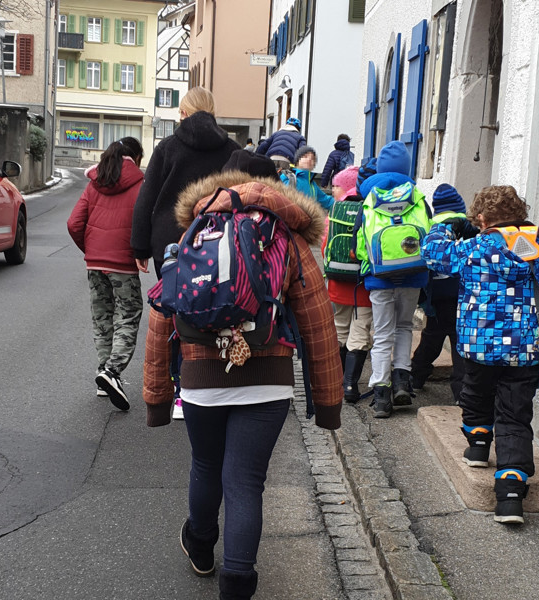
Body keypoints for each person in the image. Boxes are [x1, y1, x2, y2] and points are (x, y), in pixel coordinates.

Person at [142, 153, 342, 599]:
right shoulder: (286, 237)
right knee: (246, 480)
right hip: (267, 378)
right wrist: (328, 404)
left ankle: (200, 543)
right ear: (275, 188)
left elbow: (161, 314)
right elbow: (318, 321)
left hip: (200, 375)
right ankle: (237, 583)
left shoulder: (196, 230)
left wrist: (157, 397)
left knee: (206, 464)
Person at [421, 185, 539, 524]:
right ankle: (510, 495)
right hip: (524, 350)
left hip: (479, 346)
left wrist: (446, 228)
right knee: (515, 416)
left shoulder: (475, 247)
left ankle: (477, 446)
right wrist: (532, 234)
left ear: (482, 220)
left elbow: (433, 254)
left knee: (475, 393)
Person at [132, 87, 240, 420]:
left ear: (183, 113)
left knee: (173, 316)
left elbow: (146, 199)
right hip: (216, 241)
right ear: (213, 111)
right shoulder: (232, 150)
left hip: (169, 244)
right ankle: (207, 383)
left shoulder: (167, 148)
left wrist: (139, 245)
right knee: (210, 309)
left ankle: (178, 389)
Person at [67, 137, 146, 411]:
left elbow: (74, 223)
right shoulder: (140, 185)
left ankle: (104, 371)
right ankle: (112, 372)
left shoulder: (94, 183)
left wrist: (90, 249)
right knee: (128, 313)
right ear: (135, 157)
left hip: (95, 263)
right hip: (123, 263)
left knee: (102, 316)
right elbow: (143, 224)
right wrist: (140, 252)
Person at [355, 140, 430, 418]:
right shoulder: (418, 197)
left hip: (380, 278)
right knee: (404, 327)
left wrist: (370, 265)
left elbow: (360, 245)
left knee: (382, 333)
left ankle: (382, 395)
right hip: (413, 274)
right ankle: (402, 380)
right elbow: (429, 235)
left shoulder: (370, 198)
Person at [410, 184, 468, 401]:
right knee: (459, 343)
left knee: (431, 340)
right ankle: (460, 393)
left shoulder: (431, 227)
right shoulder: (467, 227)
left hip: (436, 297)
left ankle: (416, 377)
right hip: (460, 297)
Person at [326, 165, 373, 403]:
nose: (333, 189)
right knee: (361, 330)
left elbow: (326, 244)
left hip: (337, 280)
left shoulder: (335, 210)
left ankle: (334, 381)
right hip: (363, 285)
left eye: (335, 185)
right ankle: (350, 386)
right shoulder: (371, 208)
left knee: (340, 326)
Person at [280, 146, 334, 212]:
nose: (309, 159)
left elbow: (326, 201)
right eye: (305, 156)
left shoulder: (312, 184)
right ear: (297, 161)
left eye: (313, 159)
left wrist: (343, 203)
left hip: (308, 219)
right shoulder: (288, 177)